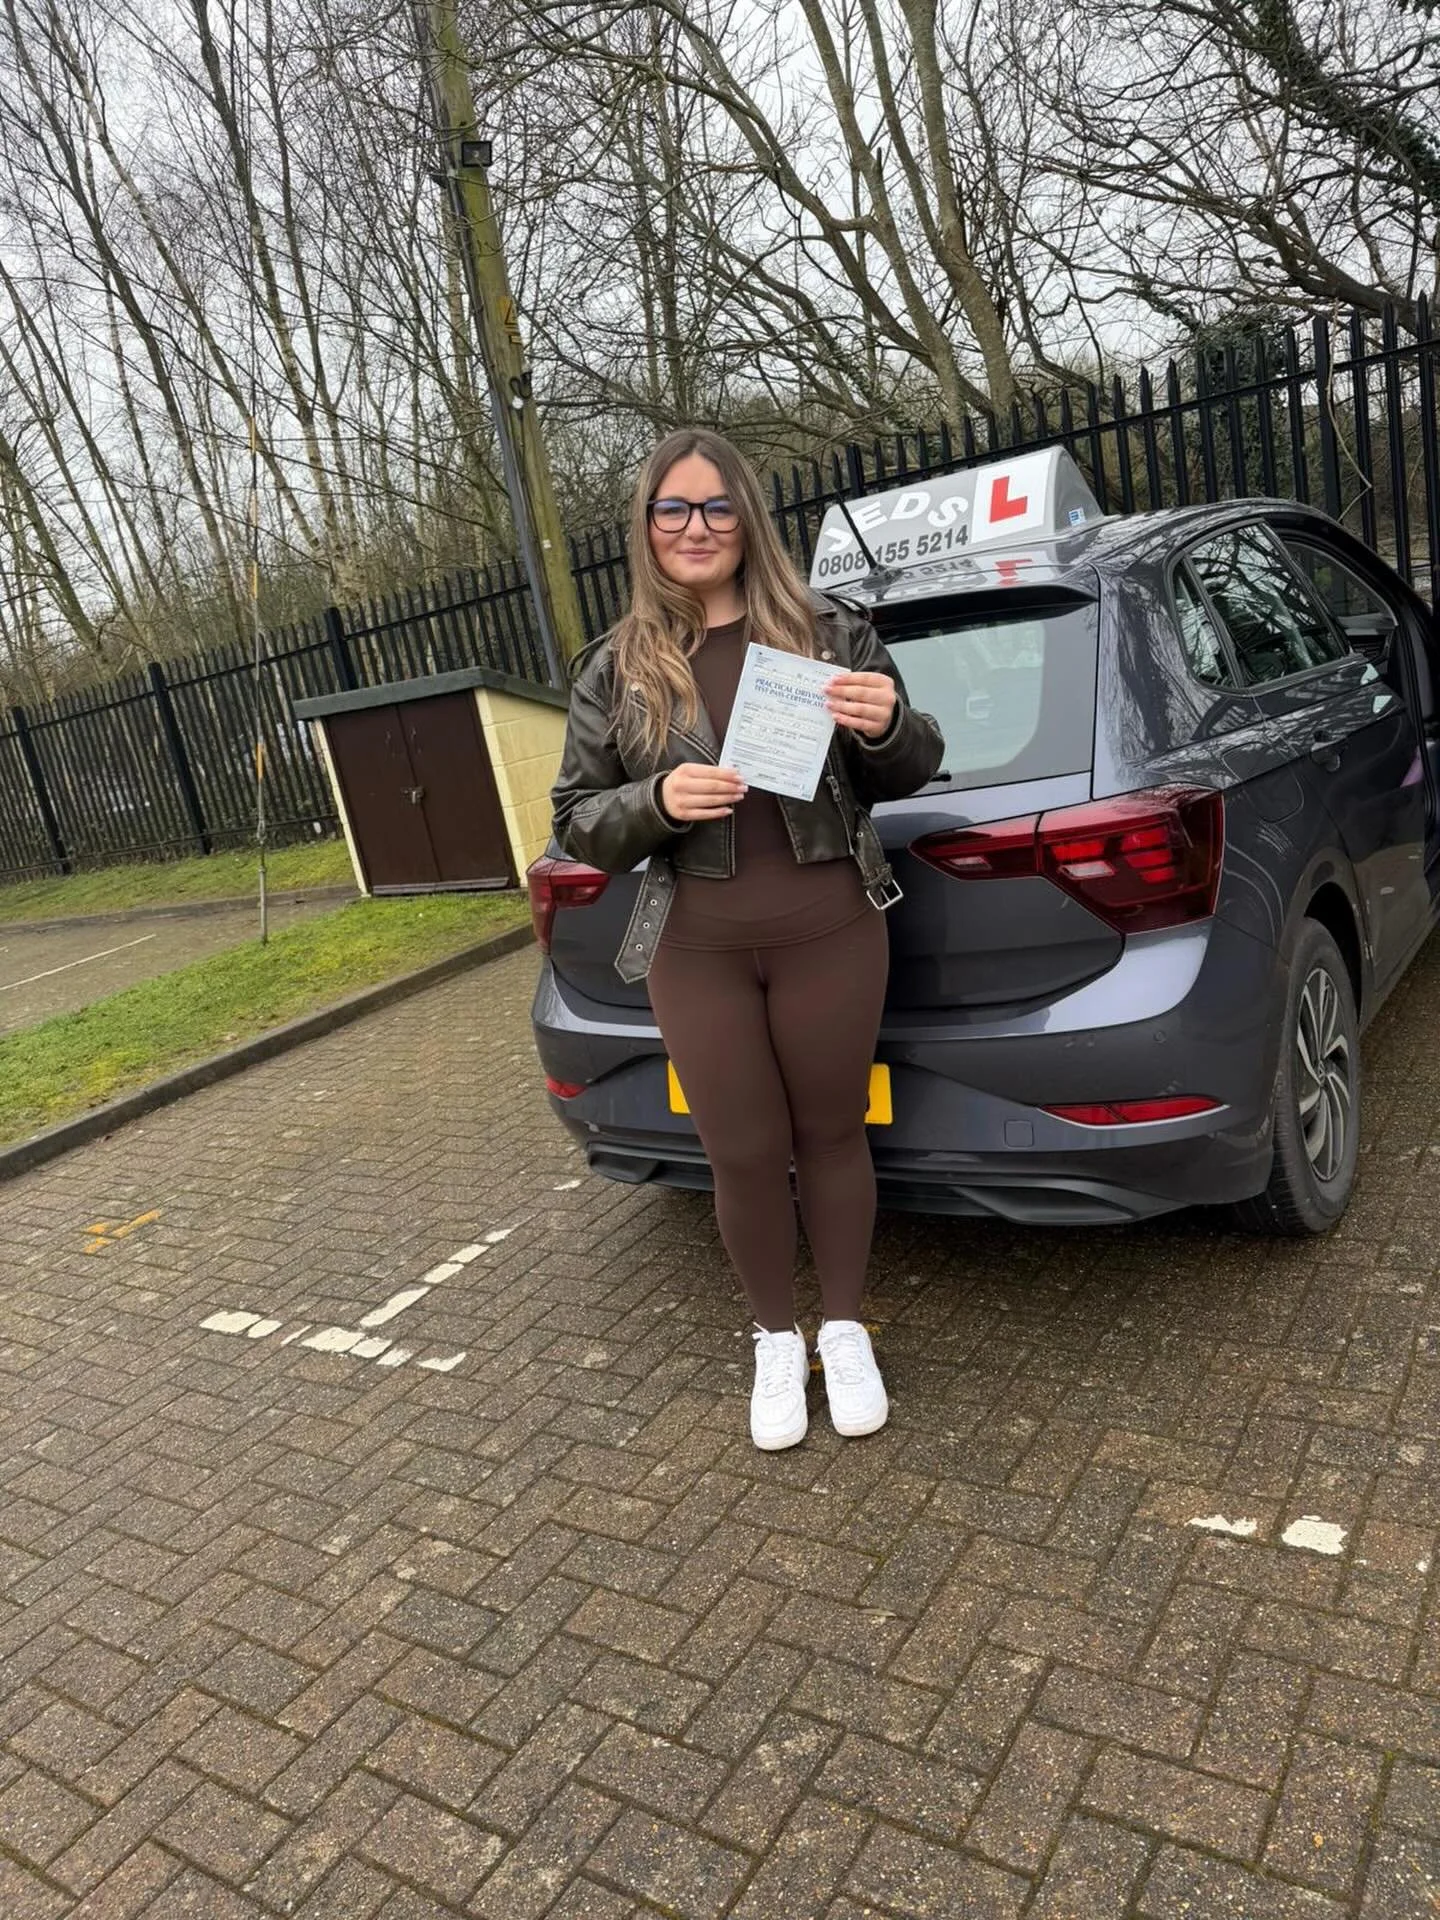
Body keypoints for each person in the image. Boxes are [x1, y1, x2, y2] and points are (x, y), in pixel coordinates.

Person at [550, 429, 943, 1451]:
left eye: (717, 507)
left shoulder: (827, 632)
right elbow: (576, 818)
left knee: (833, 1133)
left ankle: (845, 1329)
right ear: (645, 528)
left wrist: (885, 726)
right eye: (672, 510)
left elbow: (912, 765)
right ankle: (777, 1338)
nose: (696, 527)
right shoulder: (616, 671)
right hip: (697, 947)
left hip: (830, 928)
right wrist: (657, 799)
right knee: (741, 1152)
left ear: (747, 519)